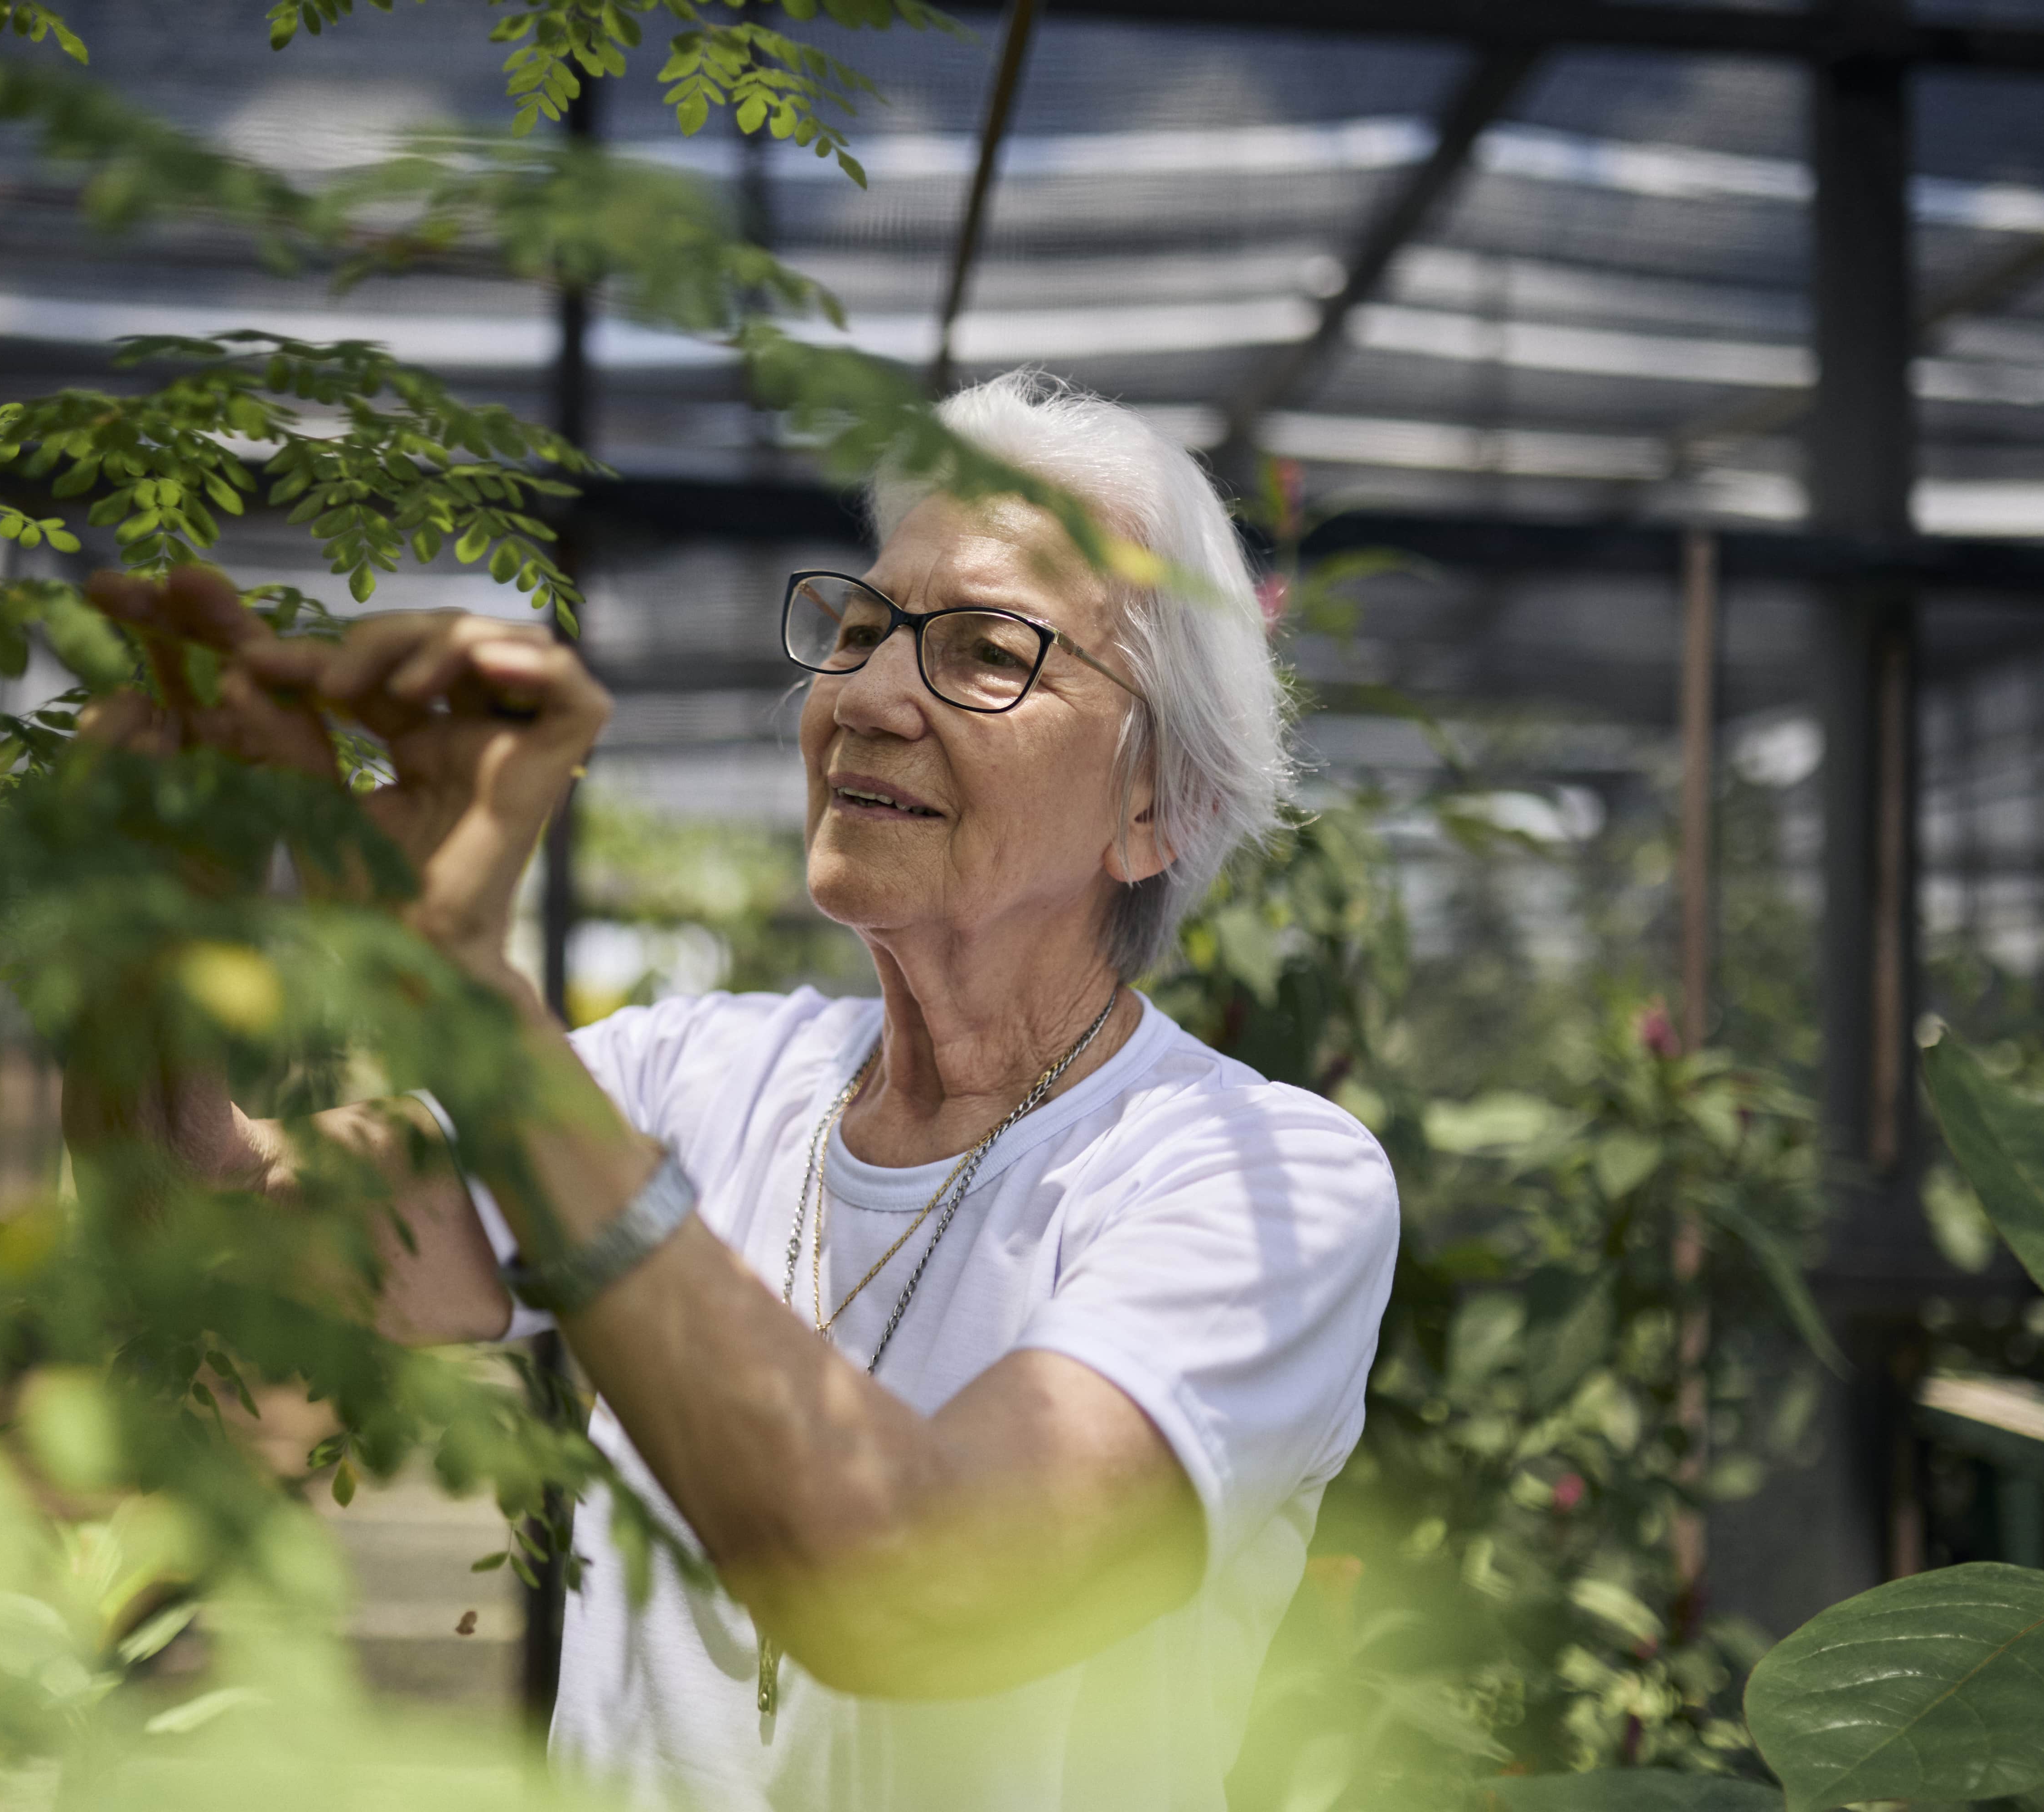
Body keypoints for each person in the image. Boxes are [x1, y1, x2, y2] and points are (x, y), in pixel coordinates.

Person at [67, 371, 1399, 1812]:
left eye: (987, 651)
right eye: (865, 627)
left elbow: (924, 1587)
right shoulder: (691, 1076)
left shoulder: (1257, 1182)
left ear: (1159, 805)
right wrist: (144, 938)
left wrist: (470, 1010)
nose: (873, 695)